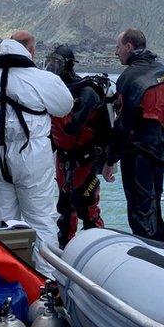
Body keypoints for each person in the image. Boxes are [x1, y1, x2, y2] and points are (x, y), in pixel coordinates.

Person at [0, 30, 72, 275]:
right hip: (31, 158)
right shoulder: (43, 79)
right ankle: (46, 284)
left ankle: (4, 280)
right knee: (41, 221)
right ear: (31, 50)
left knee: (1, 223)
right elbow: (64, 106)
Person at [104, 28, 164, 242]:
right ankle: (163, 250)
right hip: (161, 149)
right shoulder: (163, 72)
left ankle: (149, 256)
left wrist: (110, 160)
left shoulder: (129, 77)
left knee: (140, 211)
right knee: (154, 205)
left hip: (138, 153)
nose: (116, 53)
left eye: (118, 48)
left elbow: (123, 124)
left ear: (129, 46)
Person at [44, 44, 114, 248]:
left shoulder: (87, 92)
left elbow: (71, 127)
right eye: (49, 63)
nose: (51, 69)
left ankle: (98, 253)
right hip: (64, 159)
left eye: (55, 64)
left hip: (84, 160)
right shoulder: (57, 91)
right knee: (65, 209)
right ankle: (65, 254)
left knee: (88, 209)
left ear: (67, 66)